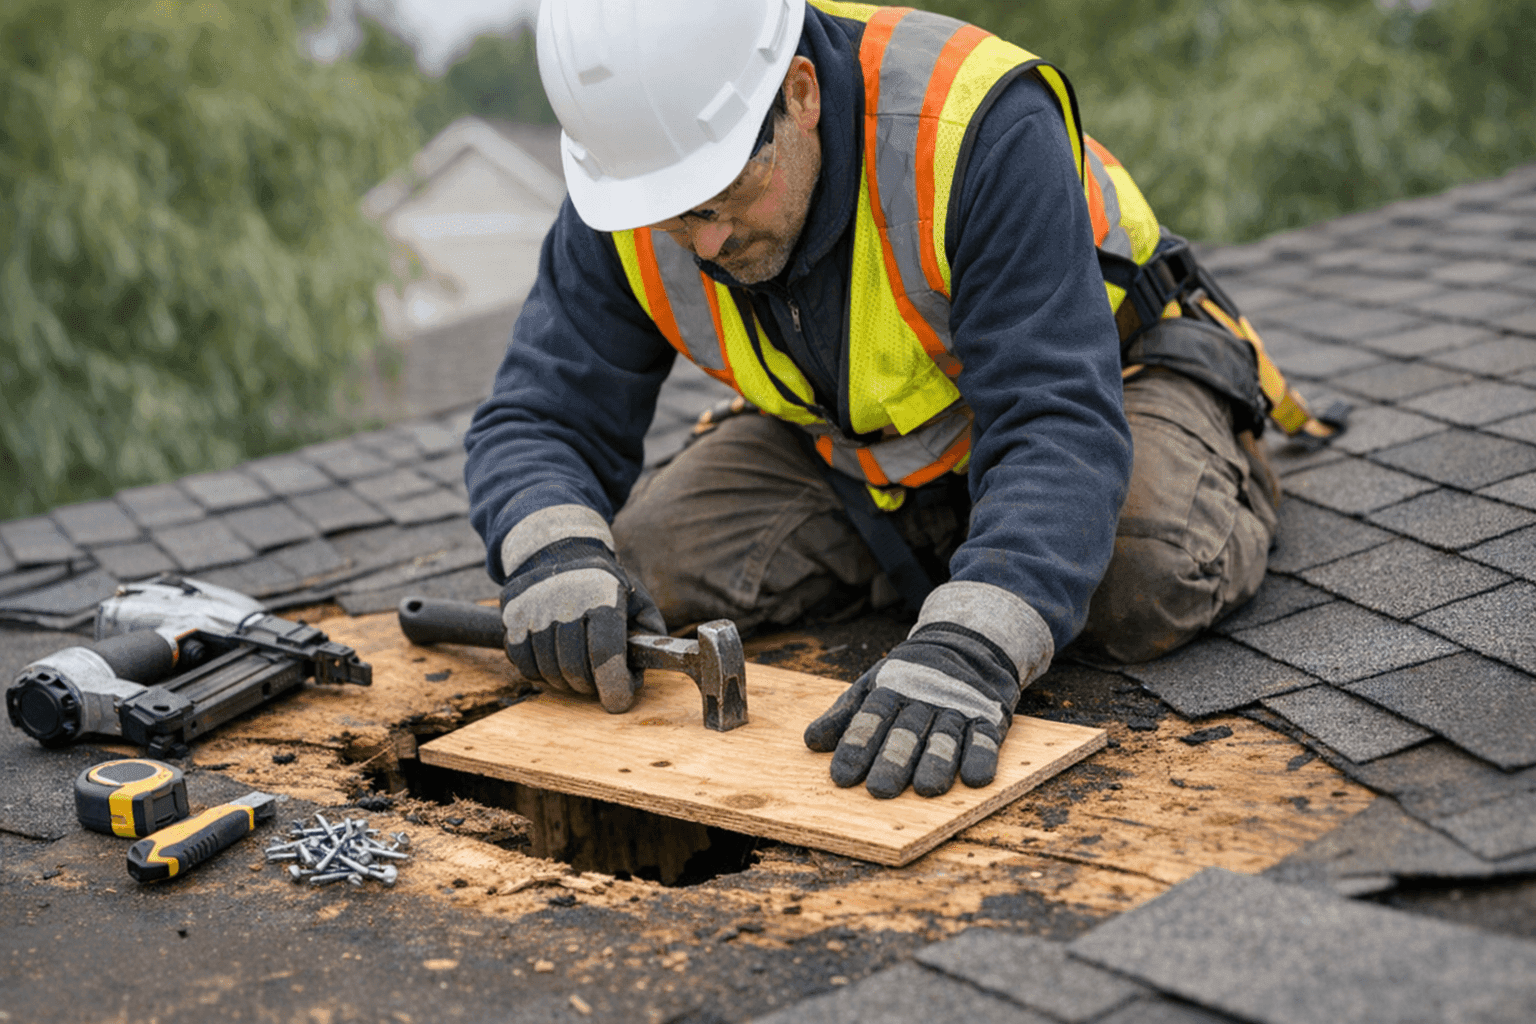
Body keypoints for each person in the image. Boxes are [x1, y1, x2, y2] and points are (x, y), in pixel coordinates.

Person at [465, 0, 1340, 801]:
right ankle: (969, 537)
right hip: (859, 443)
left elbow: (1054, 417)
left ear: (800, 94)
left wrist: (974, 642)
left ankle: (1188, 471)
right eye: (673, 217)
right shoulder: (631, 189)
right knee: (631, 570)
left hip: (1113, 376)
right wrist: (552, 552)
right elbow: (538, 414)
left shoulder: (976, 126)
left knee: (1140, 572)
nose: (707, 242)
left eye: (727, 195)